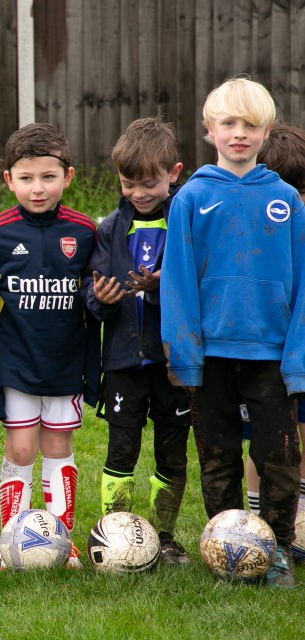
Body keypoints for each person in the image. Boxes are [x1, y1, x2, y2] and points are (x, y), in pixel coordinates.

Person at [161, 78, 305, 588]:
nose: (239, 133)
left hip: (271, 357)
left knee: (280, 459)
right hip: (210, 355)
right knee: (218, 459)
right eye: (229, 124)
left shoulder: (287, 200)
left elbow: (304, 283)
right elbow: (177, 283)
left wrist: (298, 356)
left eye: (250, 125)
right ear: (210, 131)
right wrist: (184, 354)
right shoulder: (192, 198)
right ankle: (225, 548)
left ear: (266, 132)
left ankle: (280, 550)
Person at [0, 123, 99, 569]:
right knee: (22, 449)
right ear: (8, 180)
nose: (38, 187)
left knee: (58, 449)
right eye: (26, 178)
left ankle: (60, 543)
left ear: (68, 176)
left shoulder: (85, 231)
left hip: (67, 360)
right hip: (17, 359)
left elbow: (92, 294)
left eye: (49, 176)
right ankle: (12, 542)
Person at [84, 117, 191, 564]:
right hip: (125, 362)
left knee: (172, 449)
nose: (139, 193)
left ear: (174, 173)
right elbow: (94, 295)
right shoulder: (110, 227)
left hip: (176, 361)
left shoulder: (187, 222)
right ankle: (116, 532)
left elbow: (198, 284)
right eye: (129, 184)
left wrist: (162, 287)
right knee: (121, 448)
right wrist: (102, 299)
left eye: (149, 183)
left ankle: (164, 536)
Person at [242, 122, 305, 520]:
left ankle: (297, 520)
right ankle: (252, 524)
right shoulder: (247, 231)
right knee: (259, 441)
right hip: (262, 353)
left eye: (302, 190)